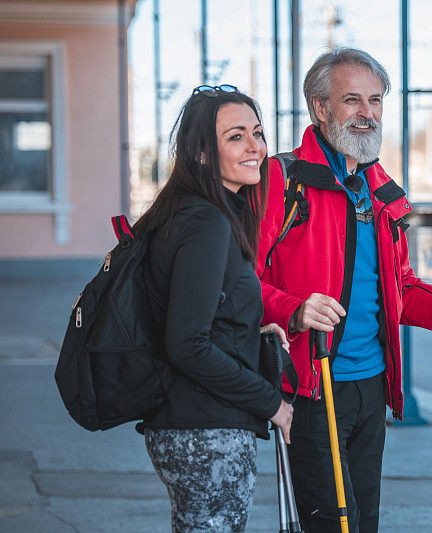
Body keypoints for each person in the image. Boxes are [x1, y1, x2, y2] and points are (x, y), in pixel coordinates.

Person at [256, 47, 432, 532]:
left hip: (372, 387)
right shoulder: (282, 181)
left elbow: (400, 290)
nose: (367, 113)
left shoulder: (382, 190)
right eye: (352, 100)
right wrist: (293, 311)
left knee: (364, 522)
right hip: (312, 386)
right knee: (332, 524)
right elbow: (241, 280)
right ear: (322, 109)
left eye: (376, 100)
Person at [133, 85, 293, 532]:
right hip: (206, 433)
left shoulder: (191, 213)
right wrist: (273, 404)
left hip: (188, 425)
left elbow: (195, 312)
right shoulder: (207, 222)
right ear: (202, 154)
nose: (255, 147)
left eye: (257, 133)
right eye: (236, 136)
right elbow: (186, 344)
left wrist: (255, 329)